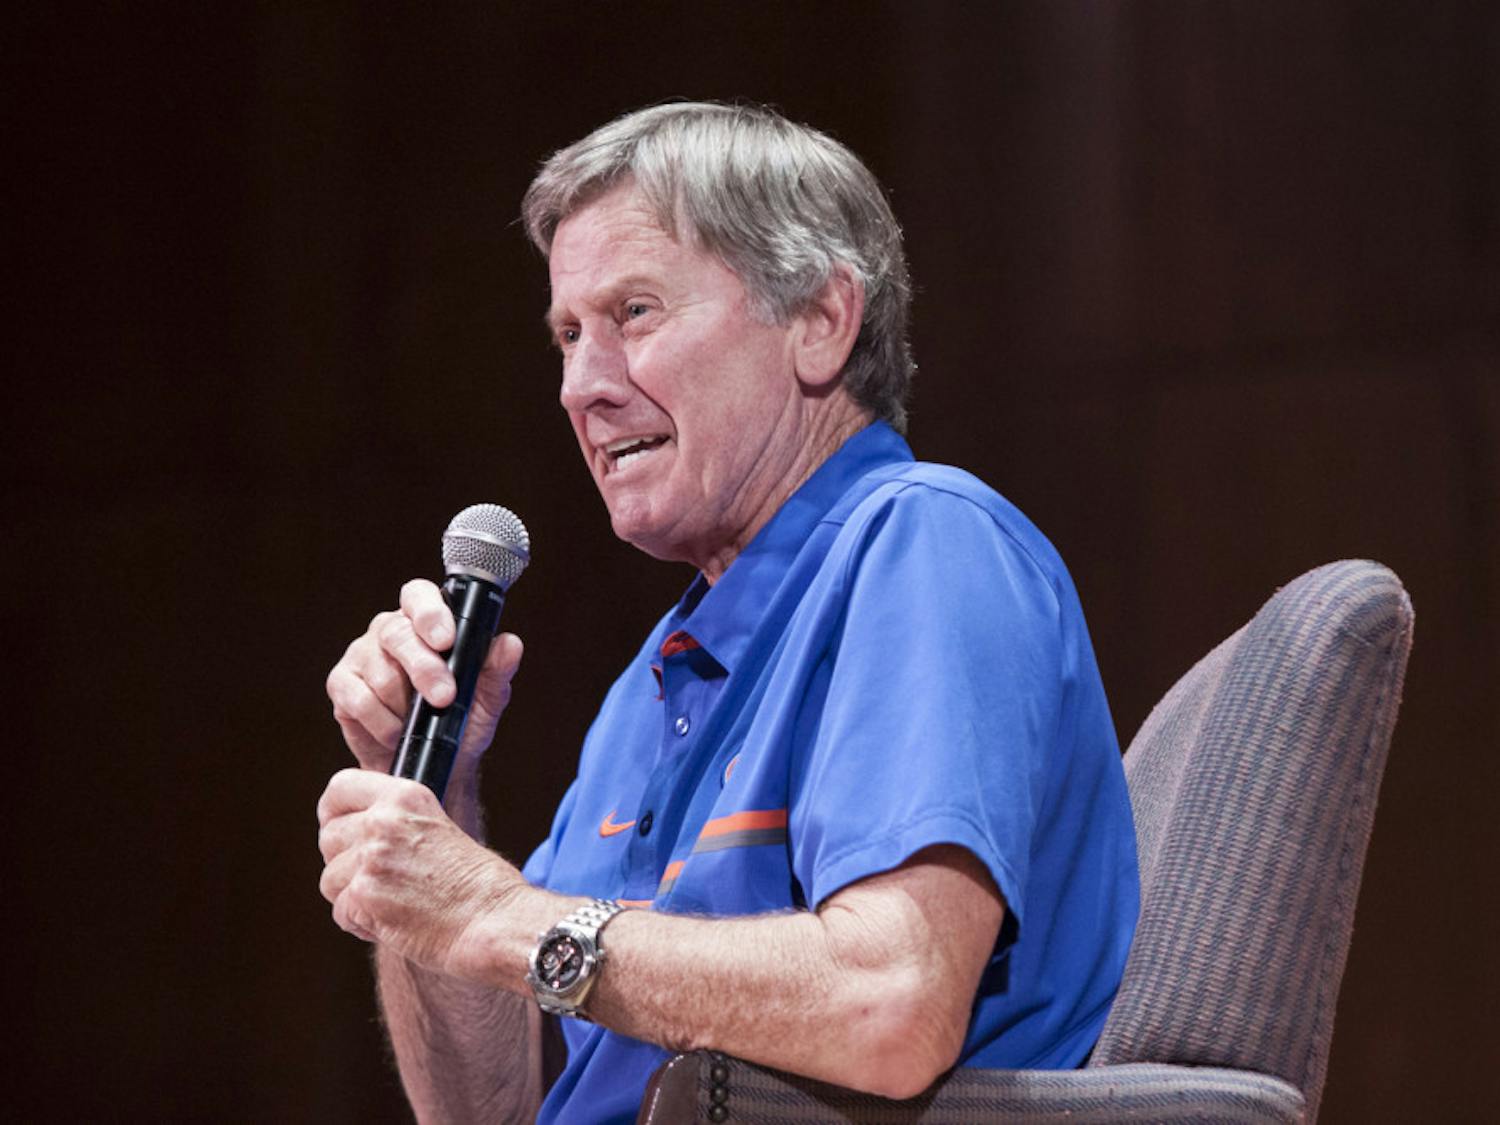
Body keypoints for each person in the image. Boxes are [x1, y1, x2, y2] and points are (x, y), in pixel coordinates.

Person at [318, 102, 1138, 1124]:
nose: (581, 387)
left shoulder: (923, 546)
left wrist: (500, 915)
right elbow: (485, 1113)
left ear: (821, 322)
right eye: (568, 335)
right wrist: (439, 815)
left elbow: (891, 1008)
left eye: (635, 314)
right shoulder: (647, 685)